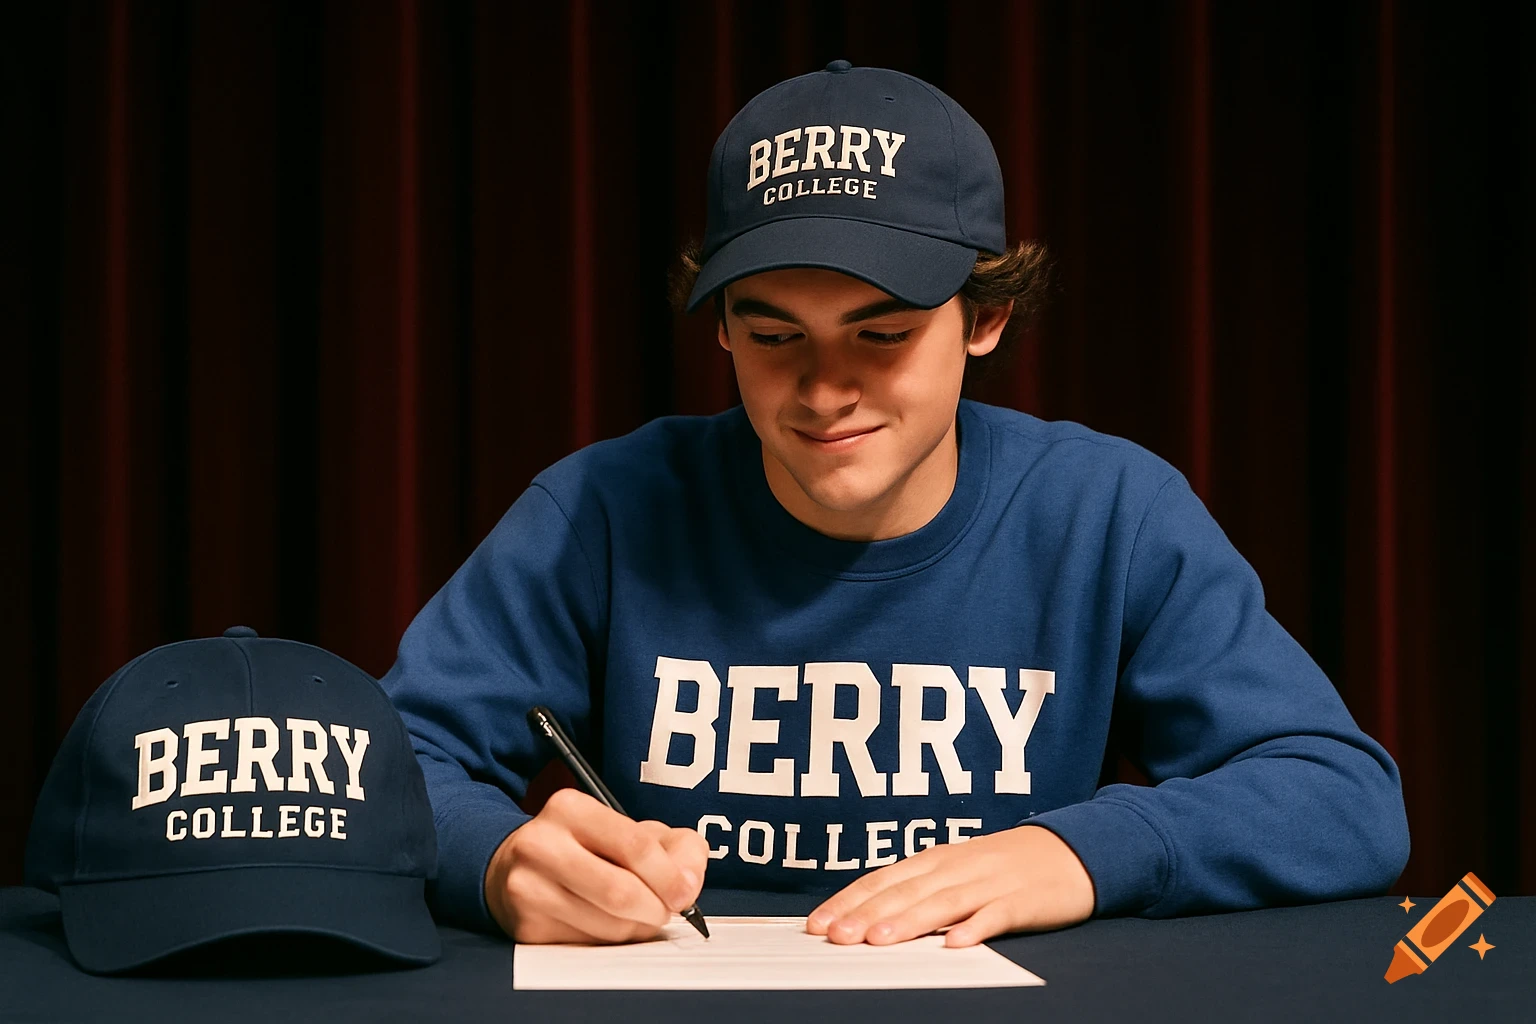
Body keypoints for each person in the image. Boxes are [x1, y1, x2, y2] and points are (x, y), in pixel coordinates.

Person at [380, 60, 1410, 949]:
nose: (826, 389)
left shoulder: (1108, 512)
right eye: (775, 334)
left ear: (987, 317)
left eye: (880, 334)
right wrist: (498, 859)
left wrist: (1077, 851)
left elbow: (1342, 795)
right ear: (724, 329)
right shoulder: (601, 509)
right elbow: (387, 765)